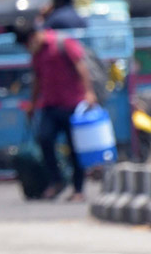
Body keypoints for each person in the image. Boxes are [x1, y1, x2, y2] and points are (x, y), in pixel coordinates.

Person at [16, 23, 98, 202]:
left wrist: (89, 93)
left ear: (33, 38)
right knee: (44, 138)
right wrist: (32, 104)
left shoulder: (62, 43)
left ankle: (78, 189)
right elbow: (37, 79)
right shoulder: (37, 54)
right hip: (50, 105)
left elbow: (81, 67)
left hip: (73, 105)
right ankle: (56, 180)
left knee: (75, 148)